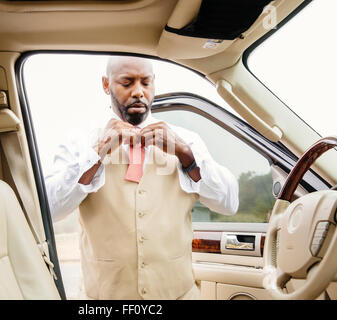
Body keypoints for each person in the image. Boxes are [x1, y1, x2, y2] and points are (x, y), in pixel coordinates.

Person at [45, 56, 239, 300]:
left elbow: (229, 203)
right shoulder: (81, 142)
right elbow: (49, 209)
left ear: (154, 84)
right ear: (106, 85)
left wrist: (187, 156)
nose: (138, 92)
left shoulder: (186, 140)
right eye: (127, 83)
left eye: (145, 83)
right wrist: (95, 154)